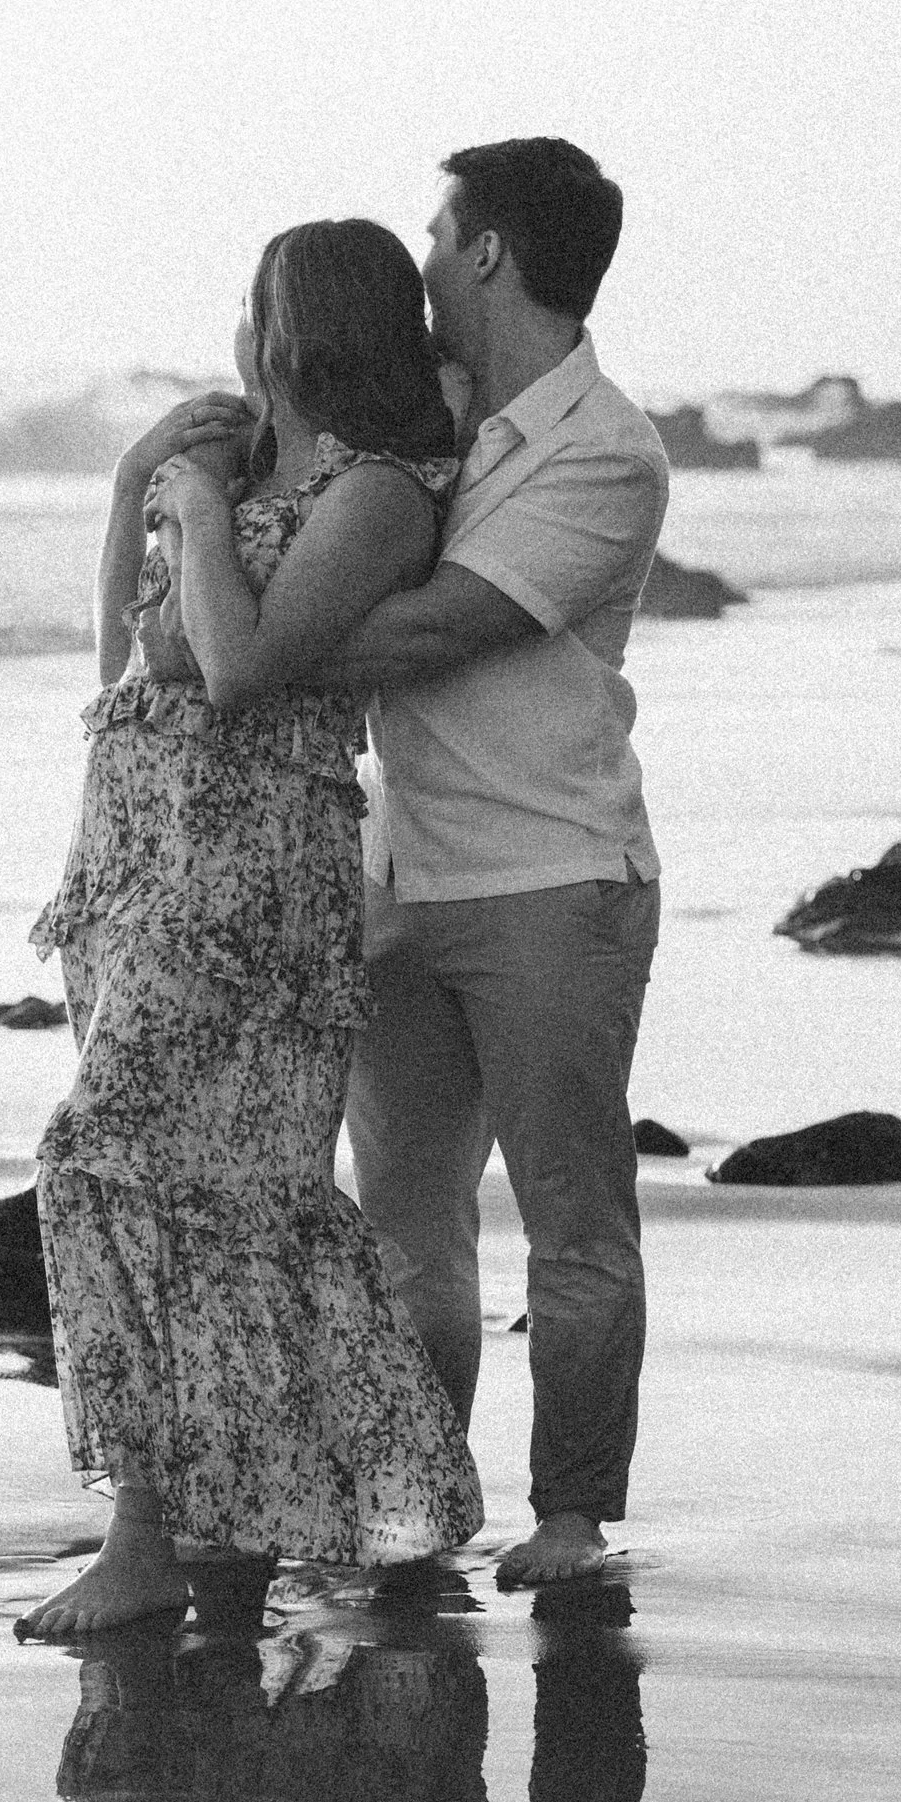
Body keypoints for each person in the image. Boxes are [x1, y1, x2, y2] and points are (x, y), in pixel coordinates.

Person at [16, 220, 483, 1642]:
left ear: (300, 328)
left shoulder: (379, 493)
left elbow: (238, 667)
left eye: (253, 303)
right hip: (138, 853)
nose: (235, 327)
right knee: (190, 1187)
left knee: (113, 1159)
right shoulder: (232, 474)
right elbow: (122, 669)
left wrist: (198, 510)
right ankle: (245, 1508)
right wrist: (127, 495)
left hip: (251, 873)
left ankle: (155, 1529)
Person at [335, 139, 669, 1591]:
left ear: (485, 251)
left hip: (551, 877)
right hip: (402, 874)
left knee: (569, 1219)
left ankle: (574, 1517)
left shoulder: (606, 448)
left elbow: (429, 628)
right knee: (405, 1227)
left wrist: (229, 652)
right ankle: (418, 1496)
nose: (416, 255)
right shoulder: (425, 418)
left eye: (433, 227)